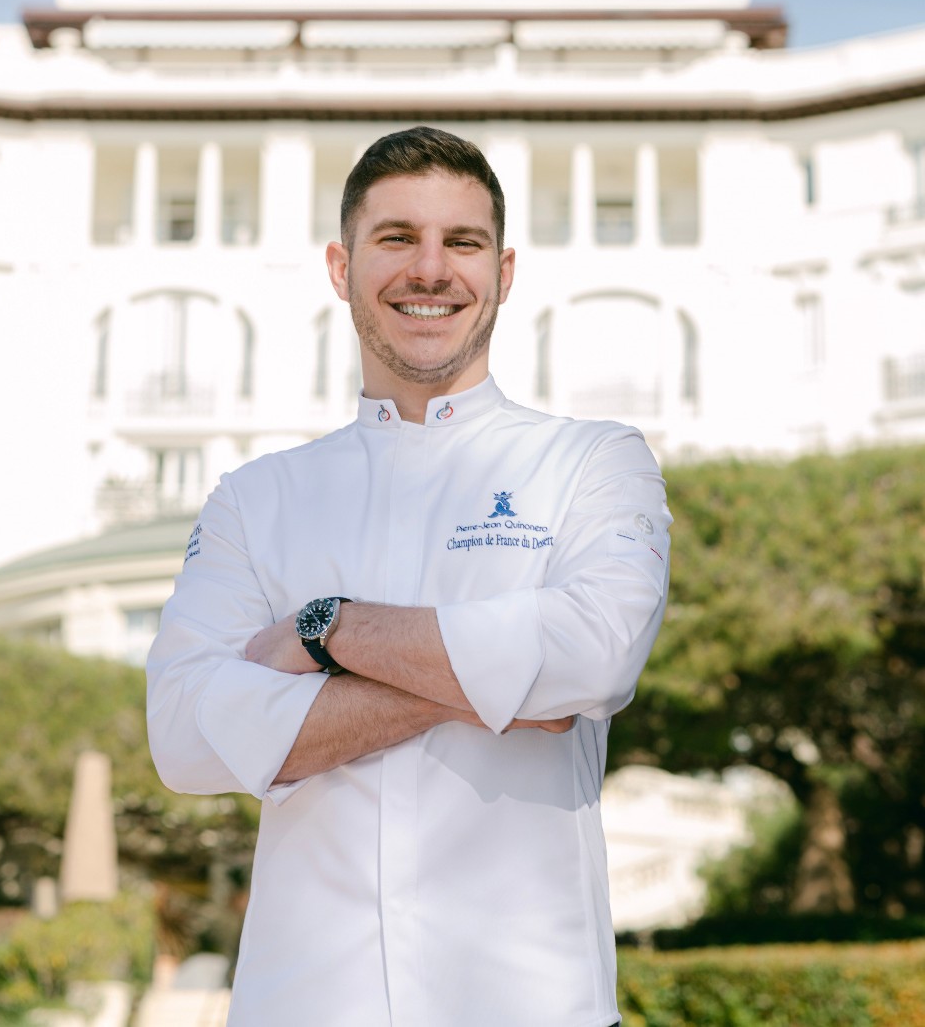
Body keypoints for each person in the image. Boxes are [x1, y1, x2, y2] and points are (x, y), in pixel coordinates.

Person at [147, 125, 672, 1027]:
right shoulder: (255, 498)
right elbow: (184, 739)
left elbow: (594, 658)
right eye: (396, 239)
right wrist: (501, 677)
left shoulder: (596, 461)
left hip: (534, 1005)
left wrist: (328, 631)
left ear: (503, 273)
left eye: (461, 242)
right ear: (340, 266)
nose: (430, 270)